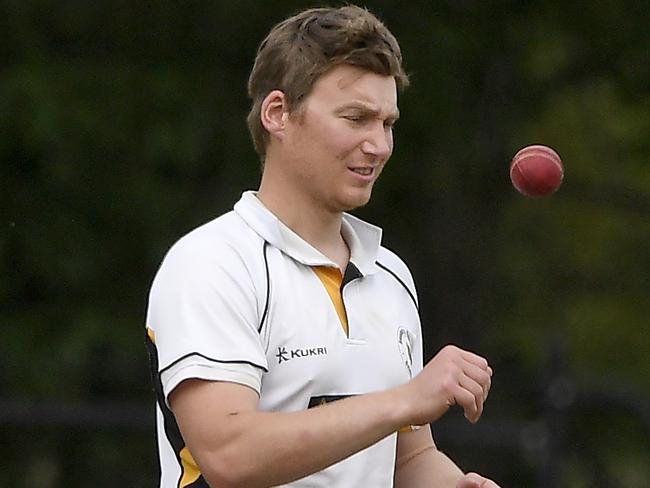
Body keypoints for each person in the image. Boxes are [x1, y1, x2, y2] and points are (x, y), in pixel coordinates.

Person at [145, 5, 501, 488]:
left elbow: (407, 459)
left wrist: (453, 485)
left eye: (388, 124)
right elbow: (230, 456)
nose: (378, 145)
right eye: (356, 118)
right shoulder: (212, 263)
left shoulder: (390, 275)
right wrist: (407, 398)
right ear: (278, 114)